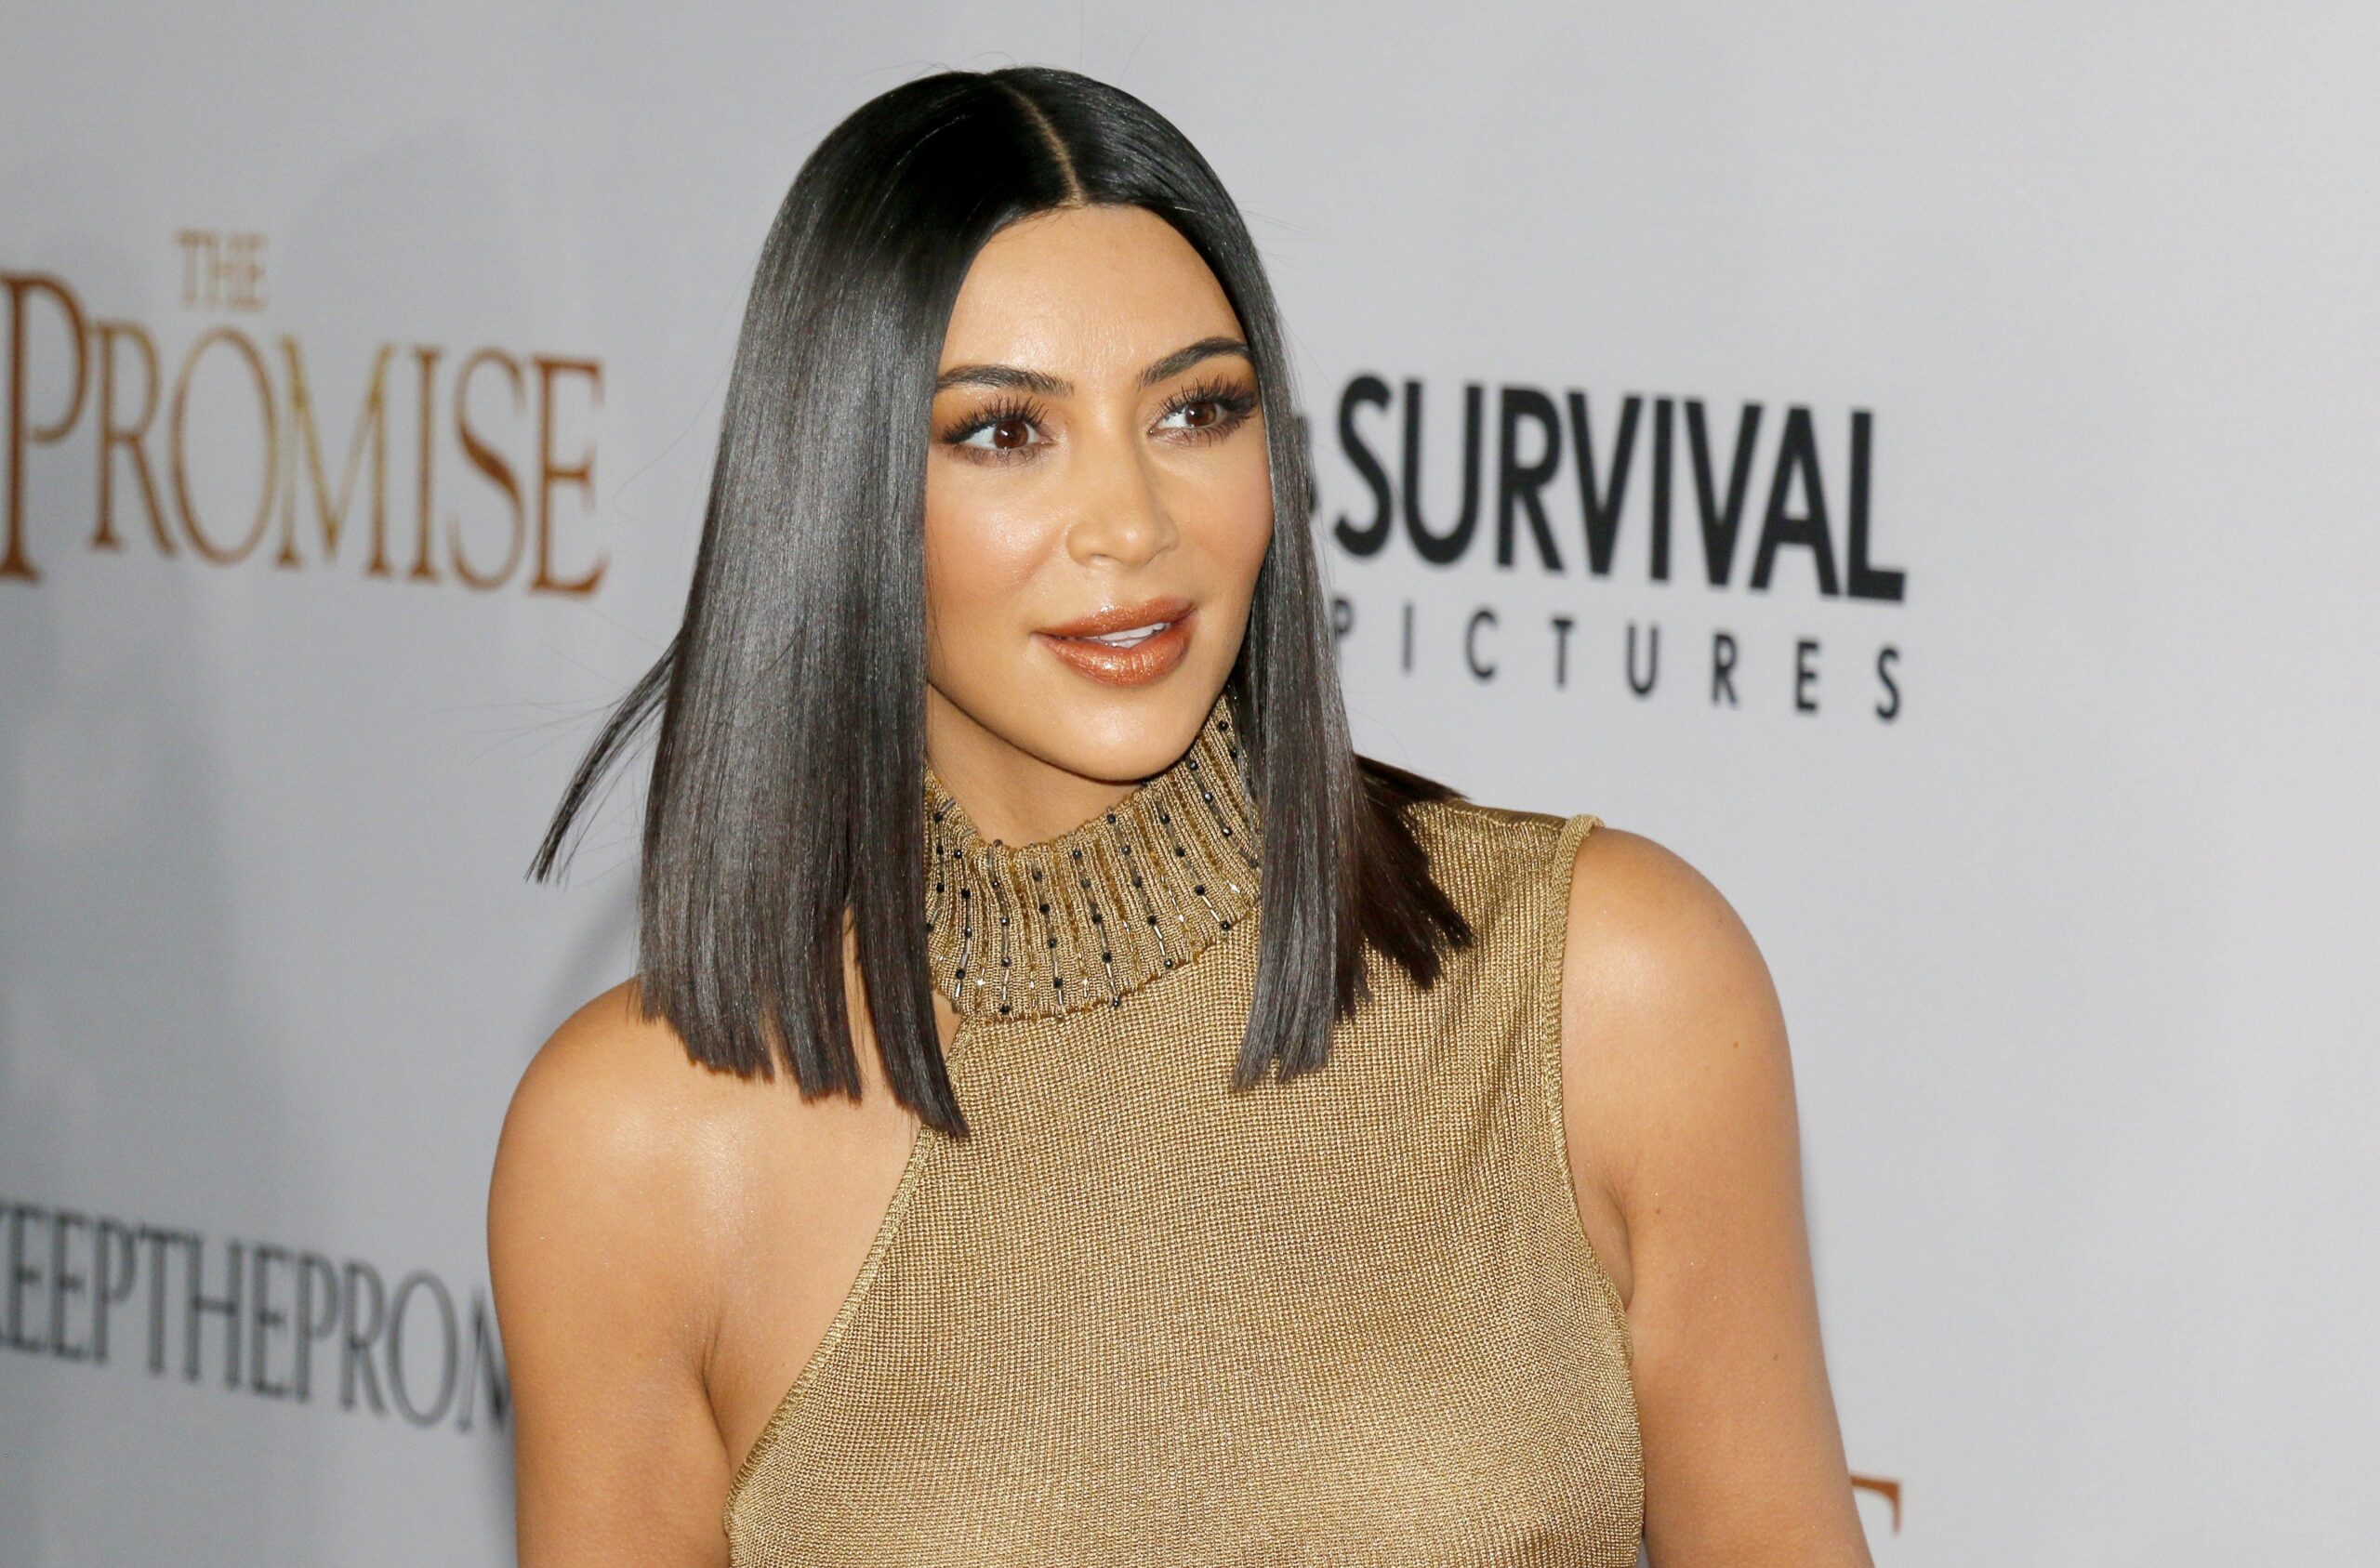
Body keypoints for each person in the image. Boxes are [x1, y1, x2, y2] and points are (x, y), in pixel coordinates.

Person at [487, 64, 1872, 1567]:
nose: (1133, 526)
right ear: (836, 488)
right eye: (1004, 432)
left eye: (1196, 411)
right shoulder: (635, 1148)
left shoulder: (1604, 993)